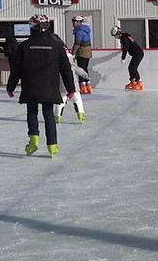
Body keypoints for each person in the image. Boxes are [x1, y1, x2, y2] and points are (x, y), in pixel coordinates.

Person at [6, 15, 76, 158]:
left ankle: (34, 140)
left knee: (32, 112)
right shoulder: (57, 46)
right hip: (49, 86)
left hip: (30, 86)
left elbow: (16, 69)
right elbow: (66, 69)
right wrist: (70, 89)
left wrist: (10, 87)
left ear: (32, 27)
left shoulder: (24, 46)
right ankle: (52, 145)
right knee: (48, 114)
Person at [70, 16, 93, 93]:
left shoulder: (79, 31)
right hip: (88, 52)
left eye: (74, 22)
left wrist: (73, 53)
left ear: (78, 22)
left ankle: (83, 86)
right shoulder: (85, 30)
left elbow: (77, 43)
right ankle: (88, 85)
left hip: (82, 52)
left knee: (81, 69)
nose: (73, 24)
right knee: (85, 68)